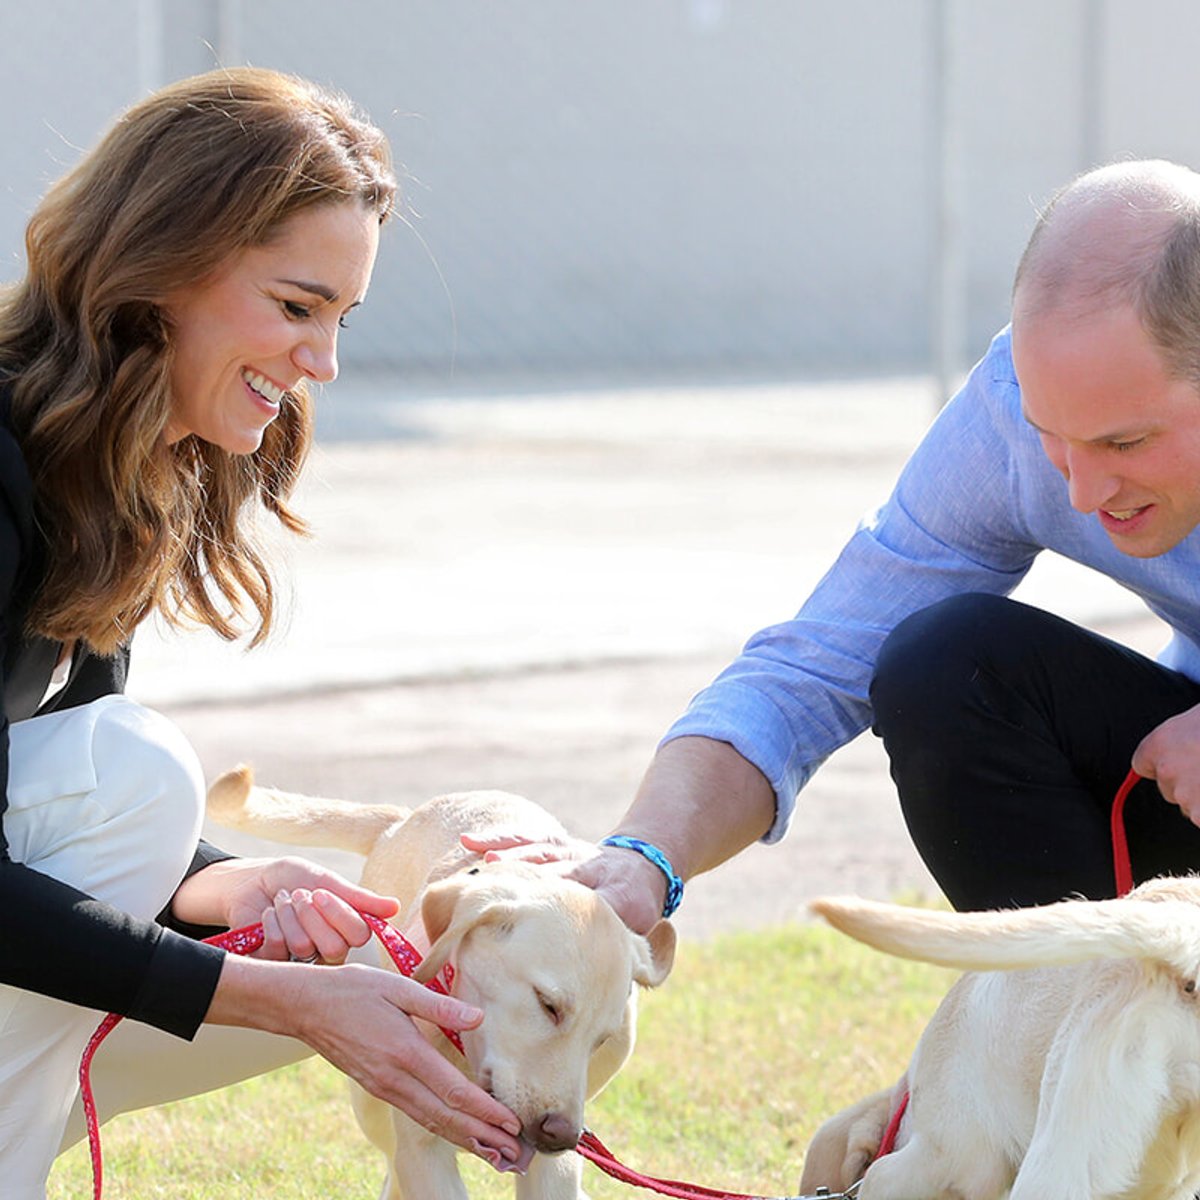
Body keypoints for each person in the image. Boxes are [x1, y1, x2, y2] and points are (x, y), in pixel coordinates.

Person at [0, 67, 523, 1197]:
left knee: (331, 946)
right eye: (295, 307)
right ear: (159, 268)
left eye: (340, 319)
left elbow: (59, 807)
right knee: (140, 773)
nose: (323, 362)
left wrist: (225, 888)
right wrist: (280, 998)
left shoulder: (122, 471)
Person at [477, 157, 1200, 937]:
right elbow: (816, 665)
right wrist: (643, 852)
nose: (1083, 493)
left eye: (1125, 442)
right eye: (1050, 434)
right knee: (946, 661)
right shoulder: (1008, 408)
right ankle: (1078, 1005)